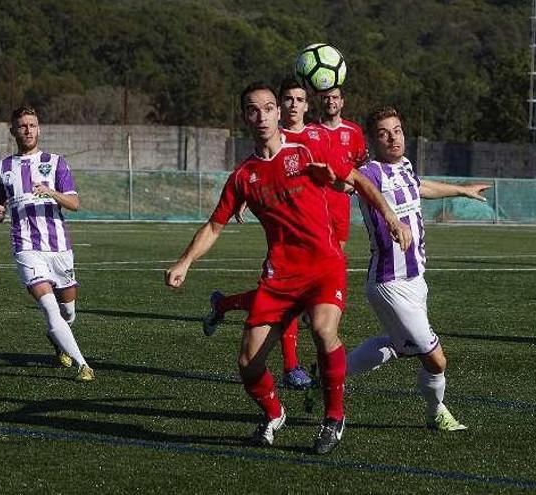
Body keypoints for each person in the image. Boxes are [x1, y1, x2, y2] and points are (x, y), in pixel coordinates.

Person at [165, 82, 412, 455]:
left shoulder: (307, 147)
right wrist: (185, 262)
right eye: (253, 110)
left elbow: (357, 179)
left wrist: (391, 217)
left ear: (278, 113)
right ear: (244, 117)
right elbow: (215, 225)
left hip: (323, 264)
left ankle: (333, 418)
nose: (261, 116)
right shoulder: (243, 177)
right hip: (279, 276)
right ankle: (274, 412)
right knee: (248, 363)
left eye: (267, 108)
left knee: (322, 328)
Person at [346, 105, 488, 431]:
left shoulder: (406, 166)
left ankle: (326, 374)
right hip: (389, 281)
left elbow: (422, 187)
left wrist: (462, 190)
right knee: (436, 359)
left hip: (415, 278)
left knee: (398, 346)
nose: (393, 138)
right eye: (384, 134)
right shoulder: (369, 173)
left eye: (396, 130)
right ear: (373, 141)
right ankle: (437, 412)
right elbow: (345, 182)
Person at [201, 78, 346, 390]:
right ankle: (292, 367)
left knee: (307, 308)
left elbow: (352, 176)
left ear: (308, 105)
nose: (293, 104)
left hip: (332, 222)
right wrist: (252, 196)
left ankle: (224, 305)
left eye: (299, 99)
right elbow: (255, 185)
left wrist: (343, 184)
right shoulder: (258, 162)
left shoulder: (319, 138)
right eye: (288, 99)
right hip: (289, 246)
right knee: (293, 304)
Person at [0, 106, 94, 381]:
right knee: (49, 308)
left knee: (68, 312)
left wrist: (50, 191)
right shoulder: (2, 167)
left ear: (39, 129)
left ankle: (57, 339)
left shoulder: (56, 162)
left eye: (32, 125)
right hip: (25, 246)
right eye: (22, 126)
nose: (27, 130)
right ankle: (83, 364)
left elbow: (74, 203)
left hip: (59, 247)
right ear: (13, 130)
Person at [317, 86, 367, 250]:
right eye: (326, 97)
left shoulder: (354, 131)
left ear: (342, 102)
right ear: (321, 101)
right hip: (314, 203)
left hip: (340, 204)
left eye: (335, 97)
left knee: (337, 253)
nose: (330, 101)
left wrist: (352, 187)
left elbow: (361, 167)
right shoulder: (311, 131)